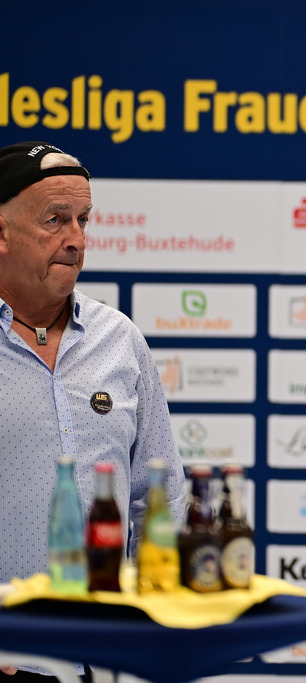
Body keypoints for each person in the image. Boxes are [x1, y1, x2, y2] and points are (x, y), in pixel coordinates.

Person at [0, 142, 187, 681]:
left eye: (83, 220)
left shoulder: (119, 340)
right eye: (55, 220)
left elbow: (158, 496)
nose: (76, 239)